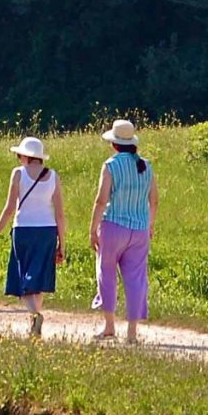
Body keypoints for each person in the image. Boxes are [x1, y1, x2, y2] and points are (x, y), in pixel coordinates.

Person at [0, 137, 66, 338]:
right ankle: (34, 321)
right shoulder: (53, 176)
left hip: (23, 230)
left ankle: (35, 315)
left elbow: (10, 207)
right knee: (38, 278)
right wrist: (62, 244)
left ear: (25, 156)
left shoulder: (19, 174)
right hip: (48, 230)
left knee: (23, 279)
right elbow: (60, 213)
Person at [89, 119, 159, 344]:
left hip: (113, 226)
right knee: (136, 279)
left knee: (106, 273)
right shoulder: (146, 165)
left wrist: (93, 229)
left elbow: (101, 200)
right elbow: (154, 200)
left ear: (114, 144)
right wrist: (150, 224)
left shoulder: (110, 165)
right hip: (139, 229)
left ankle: (109, 326)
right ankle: (132, 332)